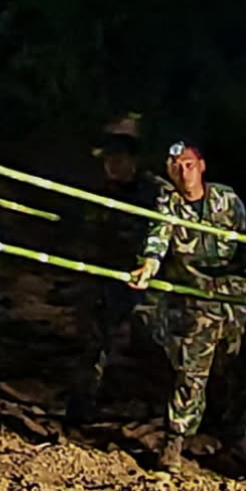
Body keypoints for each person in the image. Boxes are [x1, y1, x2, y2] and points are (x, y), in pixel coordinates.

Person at [127, 140, 246, 472]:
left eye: (188, 164)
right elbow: (157, 240)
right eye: (175, 166)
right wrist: (148, 266)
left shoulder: (226, 199)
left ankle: (239, 439)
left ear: (201, 166)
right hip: (197, 297)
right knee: (192, 370)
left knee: (244, 369)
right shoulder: (168, 204)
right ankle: (176, 440)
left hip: (236, 296)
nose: (183, 171)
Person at [66, 125, 171, 422]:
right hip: (107, 275)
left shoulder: (156, 192)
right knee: (93, 341)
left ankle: (155, 410)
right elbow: (86, 228)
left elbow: (164, 231)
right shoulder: (101, 190)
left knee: (152, 342)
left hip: (146, 278)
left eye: (118, 158)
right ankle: (81, 407)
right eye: (107, 158)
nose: (112, 165)